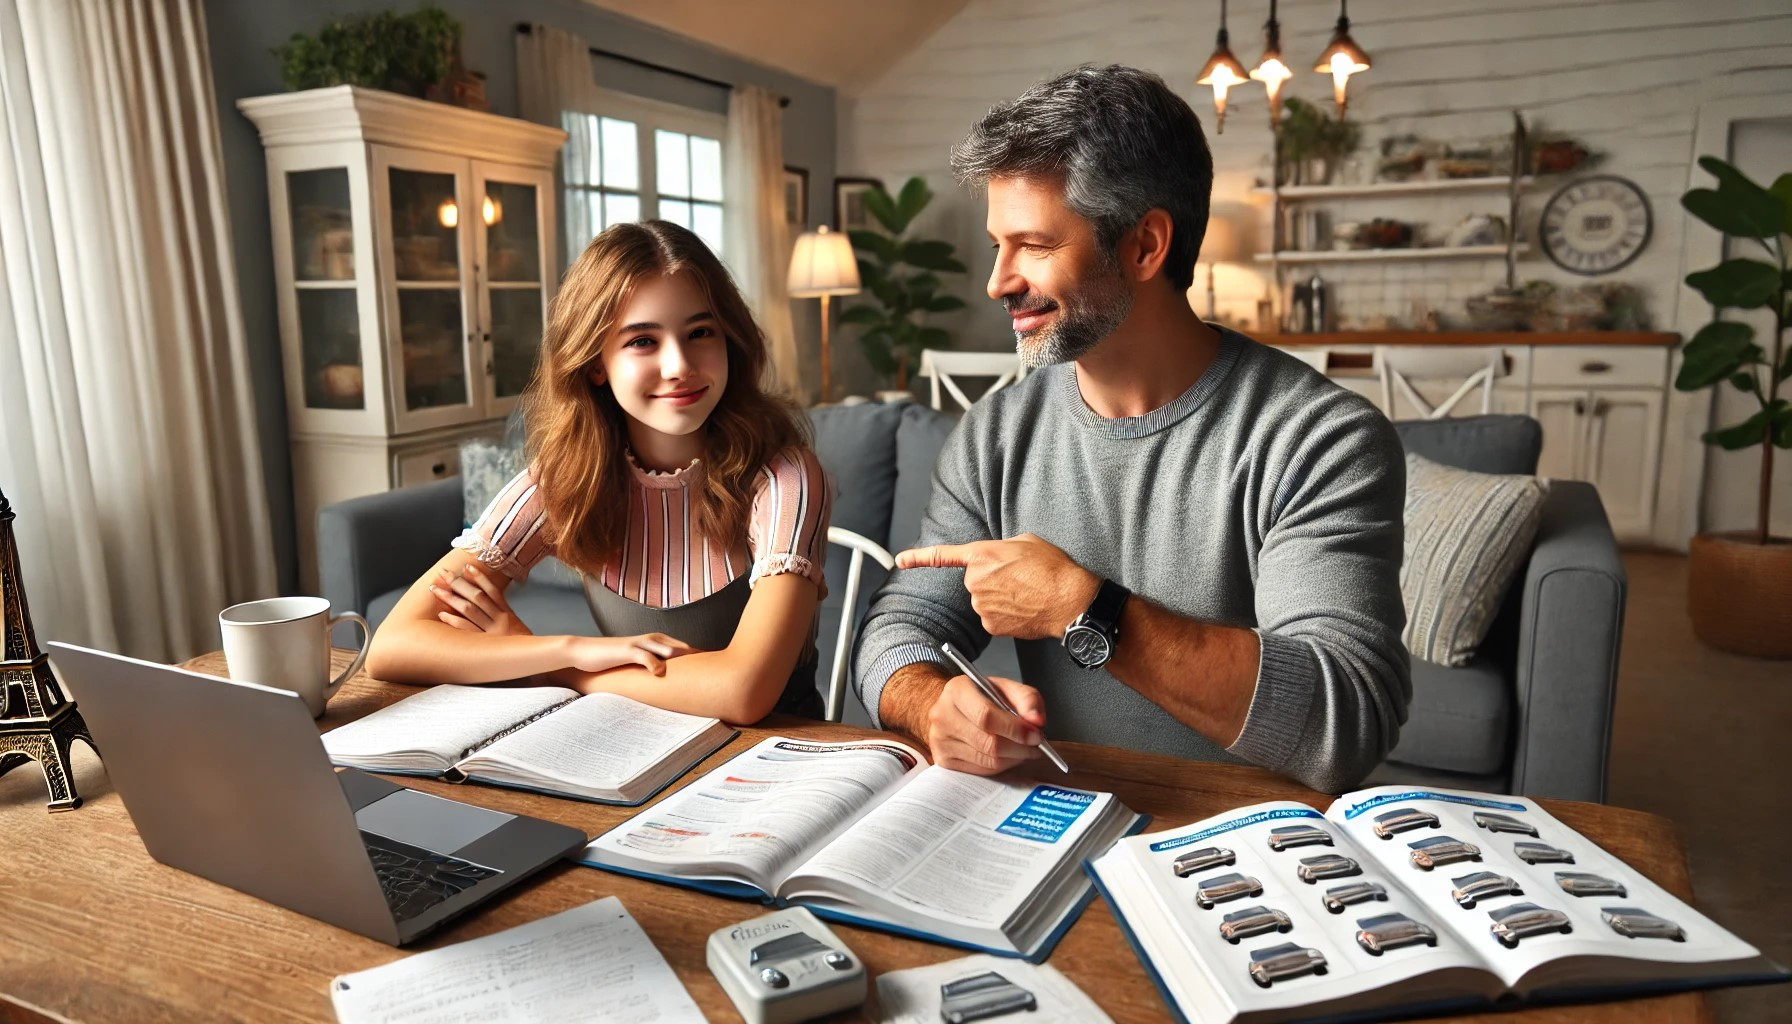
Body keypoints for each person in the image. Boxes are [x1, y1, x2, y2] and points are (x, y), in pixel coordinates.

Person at [851, 65, 1409, 793]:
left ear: (1145, 246)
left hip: (1255, 848)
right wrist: (932, 706)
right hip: (1062, 823)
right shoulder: (994, 436)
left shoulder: (1320, 438)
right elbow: (896, 632)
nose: (998, 281)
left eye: (1035, 244)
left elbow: (1346, 718)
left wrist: (1084, 607)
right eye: (999, 244)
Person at [366, 220, 831, 724]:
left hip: (776, 765)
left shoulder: (785, 477)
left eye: (700, 332)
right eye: (642, 341)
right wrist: (565, 648)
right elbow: (393, 646)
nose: (679, 364)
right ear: (595, 363)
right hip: (631, 749)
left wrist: (558, 668)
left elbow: (744, 692)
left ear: (729, 340)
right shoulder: (565, 478)